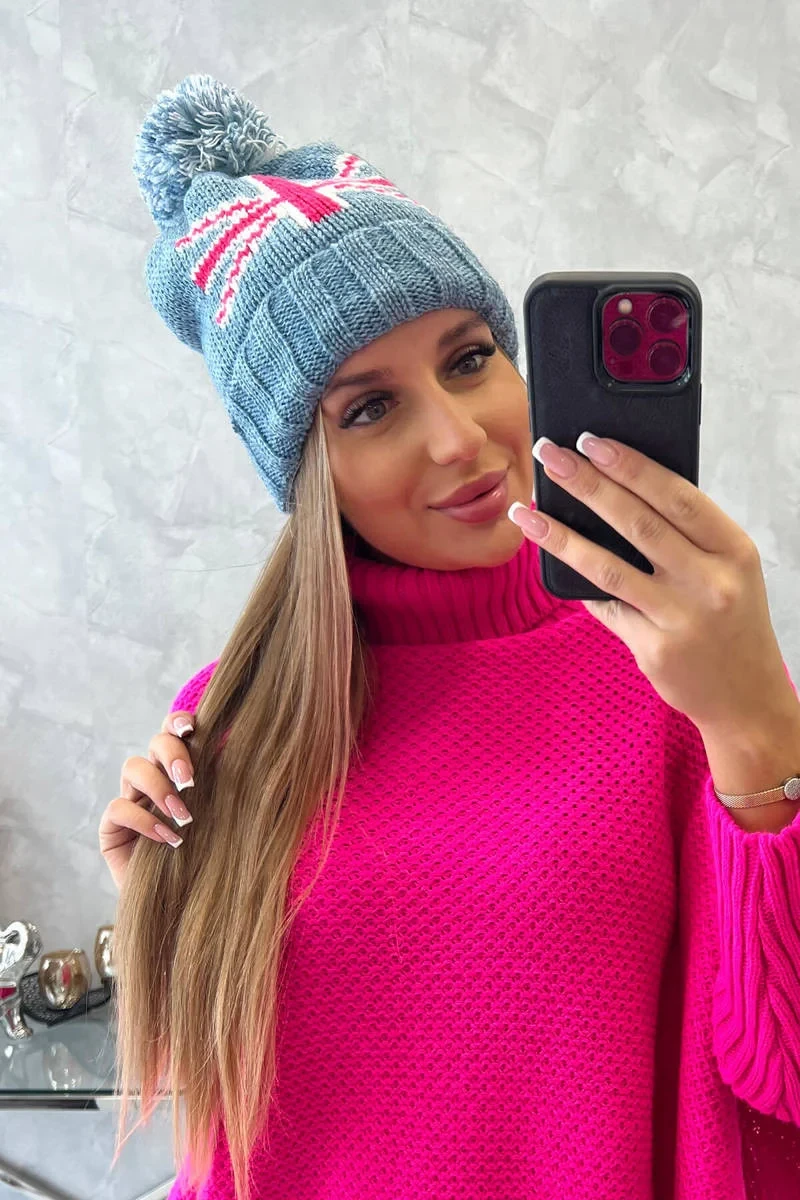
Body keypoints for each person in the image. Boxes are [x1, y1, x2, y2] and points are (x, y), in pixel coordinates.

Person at [98, 74, 800, 1200]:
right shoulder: (235, 711)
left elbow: (780, 1077)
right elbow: (250, 1115)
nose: (460, 438)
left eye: (469, 357)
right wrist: (159, 903)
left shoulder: (667, 662)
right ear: (306, 472)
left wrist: (759, 729)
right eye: (369, 408)